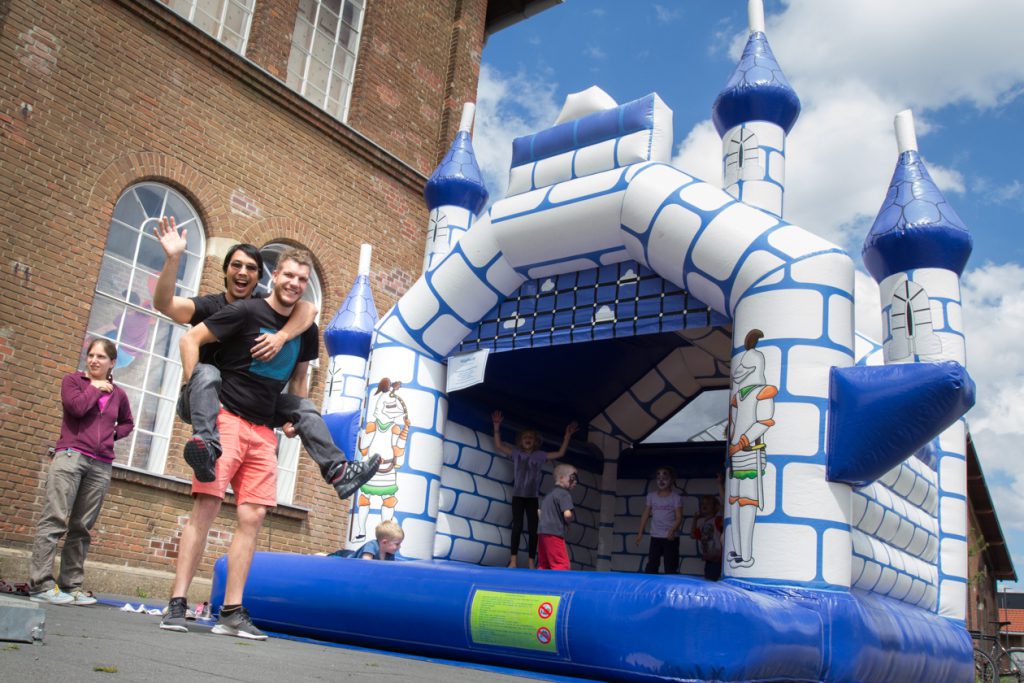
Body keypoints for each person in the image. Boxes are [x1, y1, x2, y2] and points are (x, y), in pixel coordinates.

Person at [153, 216, 378, 497]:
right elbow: (167, 308)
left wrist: (282, 337)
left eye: (251, 268)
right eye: (236, 265)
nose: (243, 273)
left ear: (261, 278)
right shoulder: (216, 307)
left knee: (302, 407)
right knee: (209, 373)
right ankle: (207, 446)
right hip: (209, 399)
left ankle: (339, 471)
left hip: (258, 406)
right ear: (226, 272)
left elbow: (307, 309)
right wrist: (173, 259)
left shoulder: (266, 310)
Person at [160, 249, 319, 639]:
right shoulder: (238, 309)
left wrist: (292, 416)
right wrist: (193, 385)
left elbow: (300, 376)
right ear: (275, 276)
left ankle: (231, 611)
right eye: (289, 276)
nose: (295, 283)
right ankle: (177, 603)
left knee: (254, 517)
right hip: (225, 417)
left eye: (302, 279)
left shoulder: (303, 324)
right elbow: (186, 332)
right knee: (207, 506)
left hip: (264, 429)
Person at [28, 338, 134, 605]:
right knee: (54, 520)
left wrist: (111, 434)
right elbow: (76, 408)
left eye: (101, 357)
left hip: (101, 464)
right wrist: (95, 388)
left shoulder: (118, 394)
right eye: (91, 355)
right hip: (71, 456)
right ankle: (40, 584)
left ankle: (70, 586)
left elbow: (128, 423)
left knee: (82, 527)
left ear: (112, 363)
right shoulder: (73, 382)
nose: (94, 360)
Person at [491, 411, 578, 569]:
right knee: (517, 526)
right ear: (520, 441)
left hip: (532, 497)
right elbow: (499, 446)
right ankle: (514, 560)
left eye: (530, 438)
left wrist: (567, 436)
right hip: (518, 496)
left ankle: (532, 561)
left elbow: (560, 453)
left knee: (533, 529)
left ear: (535, 441)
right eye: (525, 438)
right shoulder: (516, 453)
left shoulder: (539, 455)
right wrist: (497, 427)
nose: (528, 440)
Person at [634, 467, 683, 574]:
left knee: (670, 565)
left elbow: (679, 517)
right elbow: (646, 514)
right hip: (656, 536)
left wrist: (672, 530)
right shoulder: (651, 496)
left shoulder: (675, 498)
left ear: (671, 479)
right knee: (652, 564)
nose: (661, 480)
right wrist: (640, 533)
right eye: (658, 477)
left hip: (670, 537)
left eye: (665, 477)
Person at [536, 463, 577, 571]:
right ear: (562, 478)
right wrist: (568, 522)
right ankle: (560, 587)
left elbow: (539, 512)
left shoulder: (549, 495)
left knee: (543, 564)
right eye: (573, 478)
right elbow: (567, 514)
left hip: (542, 532)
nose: (575, 482)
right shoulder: (564, 494)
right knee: (561, 565)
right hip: (554, 533)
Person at [329, 520, 404, 560]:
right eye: (397, 544)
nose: (399, 547)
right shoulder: (372, 546)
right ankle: (324, 555)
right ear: (384, 542)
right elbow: (366, 563)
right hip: (347, 558)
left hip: (354, 553)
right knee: (334, 558)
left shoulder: (390, 554)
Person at [692, 495, 724, 580]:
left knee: (713, 579)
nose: (704, 505)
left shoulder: (717, 520)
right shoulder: (703, 524)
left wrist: (721, 507)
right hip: (708, 558)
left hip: (717, 558)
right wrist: (695, 519)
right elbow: (693, 535)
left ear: (715, 507)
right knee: (708, 578)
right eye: (702, 503)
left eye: (708, 503)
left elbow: (724, 522)